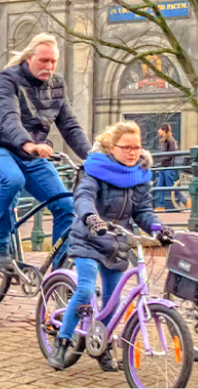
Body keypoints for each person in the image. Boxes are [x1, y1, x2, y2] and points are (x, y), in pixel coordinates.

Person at [46, 121, 171, 370]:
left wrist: (159, 228)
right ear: (112, 148)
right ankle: (62, 342)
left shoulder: (140, 175)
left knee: (113, 302)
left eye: (136, 147)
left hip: (117, 242)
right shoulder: (95, 170)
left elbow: (143, 211)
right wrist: (91, 217)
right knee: (85, 289)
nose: (132, 152)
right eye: (126, 147)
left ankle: (102, 346)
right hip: (89, 238)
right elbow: (83, 197)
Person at [0, 33, 90, 269]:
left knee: (66, 205)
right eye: (43, 60)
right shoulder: (8, 80)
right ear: (29, 58)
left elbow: (69, 126)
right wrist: (28, 144)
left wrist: (93, 158)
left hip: (33, 154)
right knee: (13, 179)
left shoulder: (57, 85)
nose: (49, 66)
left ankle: (59, 273)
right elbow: (9, 118)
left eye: (53, 61)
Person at [154, 123, 182, 210]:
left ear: (163, 130)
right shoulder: (165, 140)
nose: (158, 131)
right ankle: (160, 205)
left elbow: (172, 154)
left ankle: (185, 201)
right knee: (159, 187)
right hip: (163, 166)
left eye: (159, 129)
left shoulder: (170, 140)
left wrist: (161, 159)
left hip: (168, 167)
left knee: (171, 187)